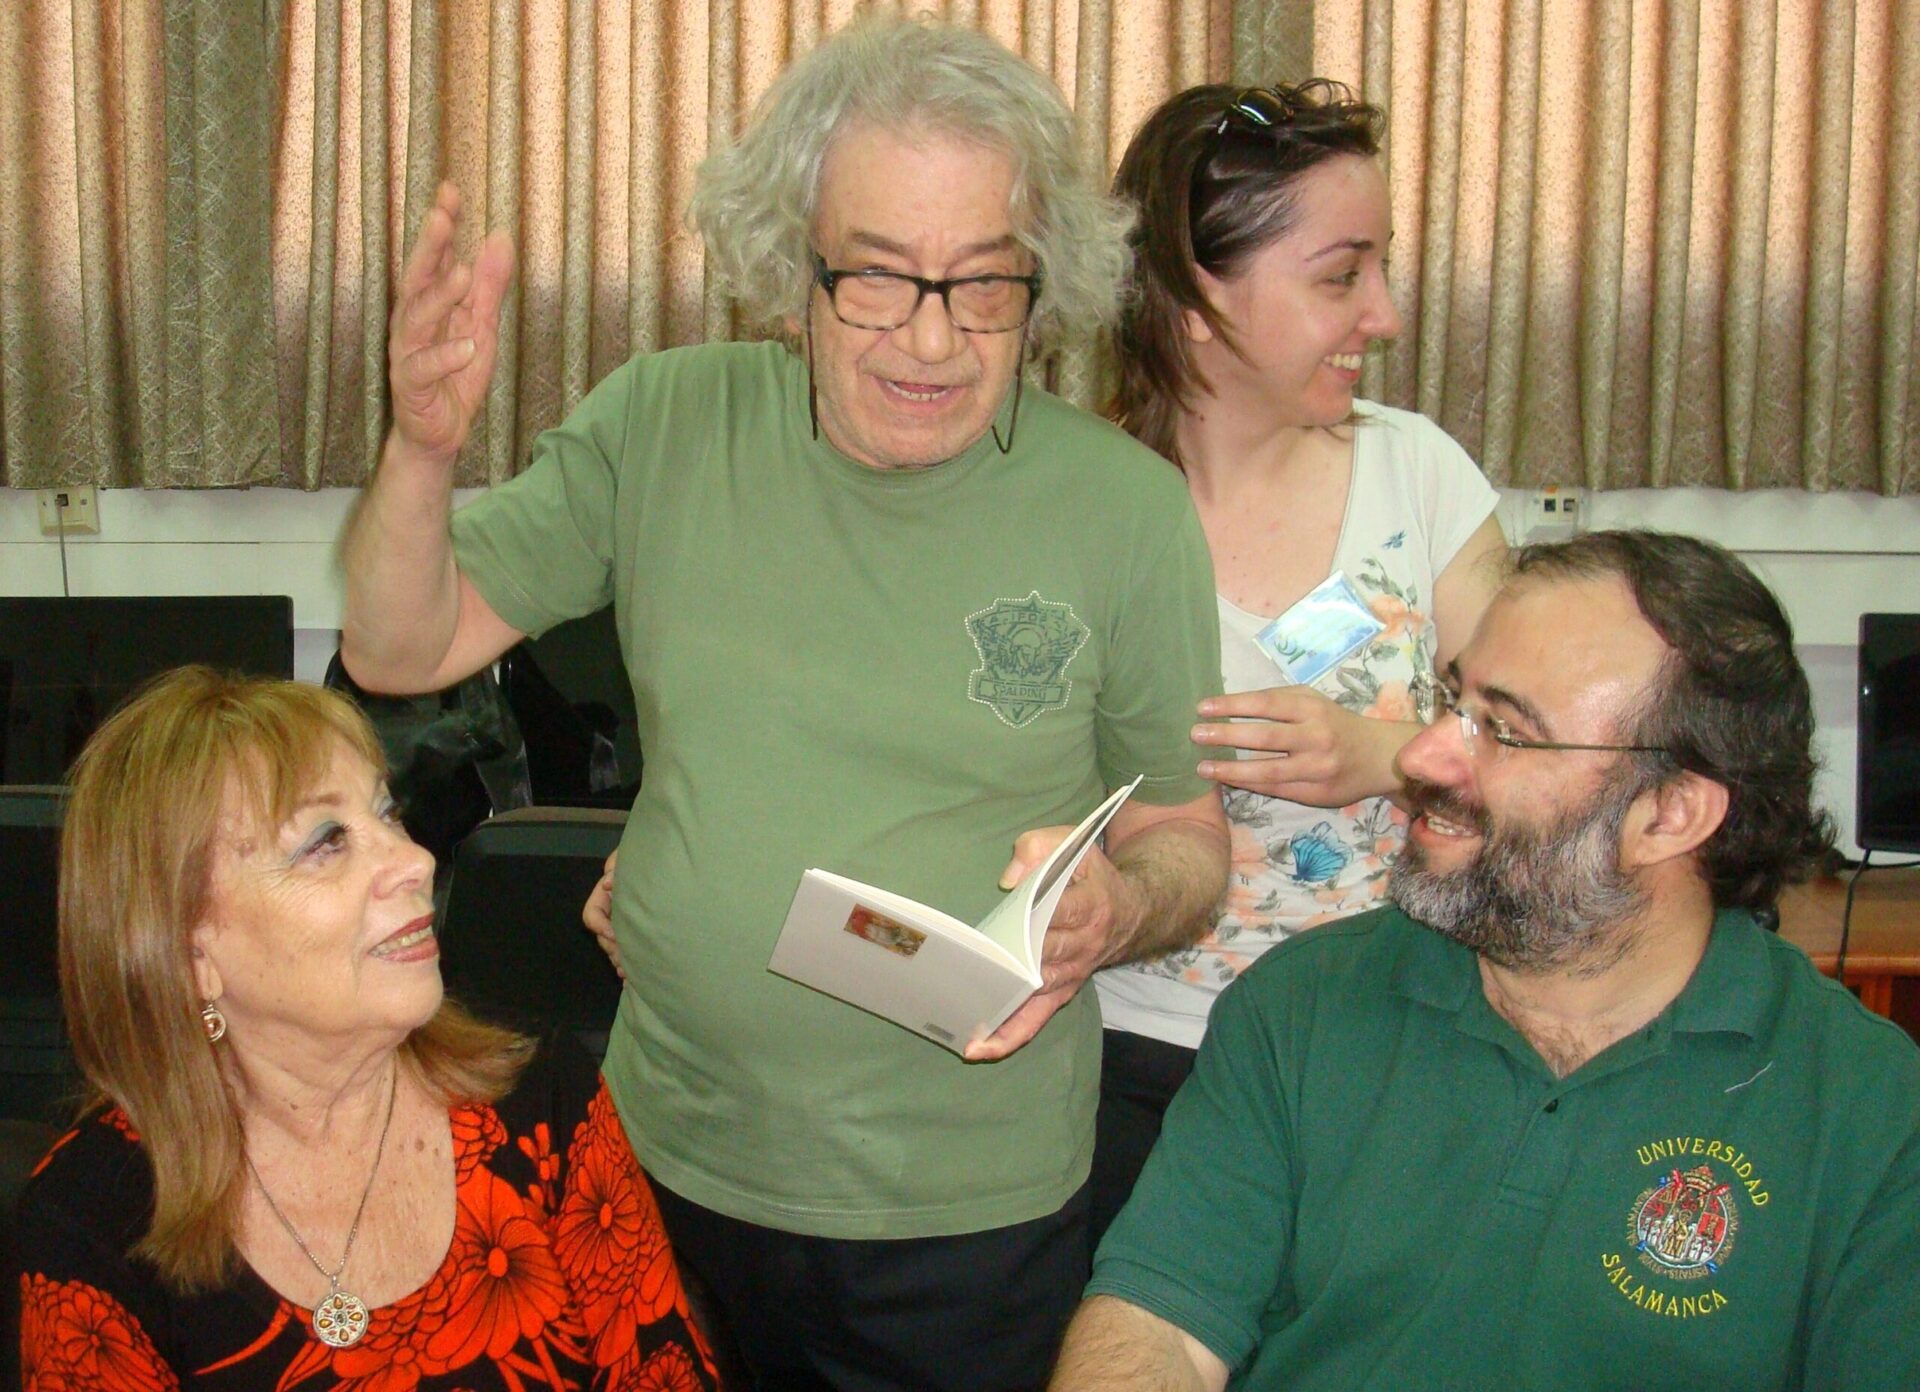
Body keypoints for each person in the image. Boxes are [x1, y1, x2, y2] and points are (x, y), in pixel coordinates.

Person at [339, 14, 1229, 1389]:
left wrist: (1118, 909)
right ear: (789, 268)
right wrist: (422, 447)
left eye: (984, 284)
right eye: (876, 278)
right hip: (663, 1157)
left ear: (1040, 282)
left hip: (963, 1215)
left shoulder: (1125, 511)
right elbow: (403, 645)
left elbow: (1188, 841)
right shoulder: (667, 427)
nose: (931, 338)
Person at [1050, 530, 1920, 1392]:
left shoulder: (1870, 1110)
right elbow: (1156, 1326)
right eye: (1451, 700)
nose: (1422, 755)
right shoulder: (1303, 1004)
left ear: (1670, 815)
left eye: (1504, 729)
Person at [16, 667, 716, 1390]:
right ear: (190, 954)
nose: (415, 860)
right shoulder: (91, 1223)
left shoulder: (544, 1102)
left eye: (387, 813)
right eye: (325, 841)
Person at [1086, 80, 1508, 1242]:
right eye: (1340, 276)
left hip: (1403, 1046)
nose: (1383, 315)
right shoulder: (1077, 510)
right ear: (1191, 301)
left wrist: (1387, 756)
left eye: (1378, 270)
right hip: (1143, 1065)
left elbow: (1550, 748)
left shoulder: (1418, 477)